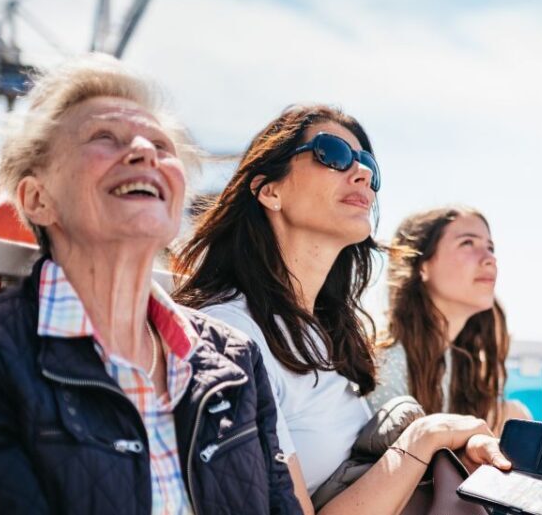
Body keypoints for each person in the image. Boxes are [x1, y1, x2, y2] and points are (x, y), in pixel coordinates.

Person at [0, 54, 301, 514]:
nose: (145, 152)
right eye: (104, 138)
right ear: (37, 199)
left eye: (161, 145)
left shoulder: (235, 358)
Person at [173, 104, 511, 515]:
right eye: (332, 153)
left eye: (369, 164)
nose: (364, 173)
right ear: (270, 190)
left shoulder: (323, 332)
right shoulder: (232, 334)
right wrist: (425, 437)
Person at [368, 206, 531, 433]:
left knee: (514, 416)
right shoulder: (388, 362)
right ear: (422, 265)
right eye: (467, 243)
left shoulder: (459, 362)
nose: (490, 259)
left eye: (490, 247)